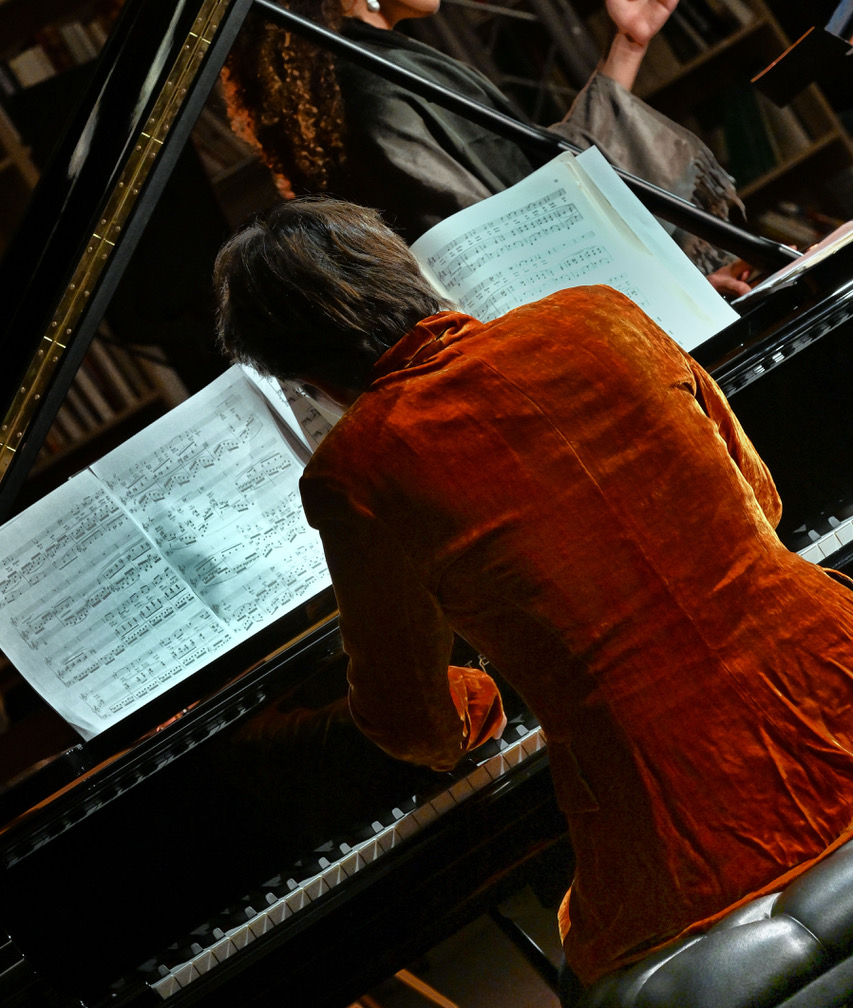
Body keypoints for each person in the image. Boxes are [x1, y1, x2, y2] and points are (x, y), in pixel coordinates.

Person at [214, 196, 853, 997]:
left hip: (687, 813)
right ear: (407, 274)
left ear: (305, 377)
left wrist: (481, 696)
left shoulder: (358, 469)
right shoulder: (599, 316)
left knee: (584, 967)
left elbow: (412, 724)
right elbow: (759, 497)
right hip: (832, 661)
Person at [223, 0, 752, 295]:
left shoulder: (377, 69)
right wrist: (665, 298)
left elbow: (535, 180)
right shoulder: (372, 91)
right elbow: (506, 250)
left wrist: (629, 45)